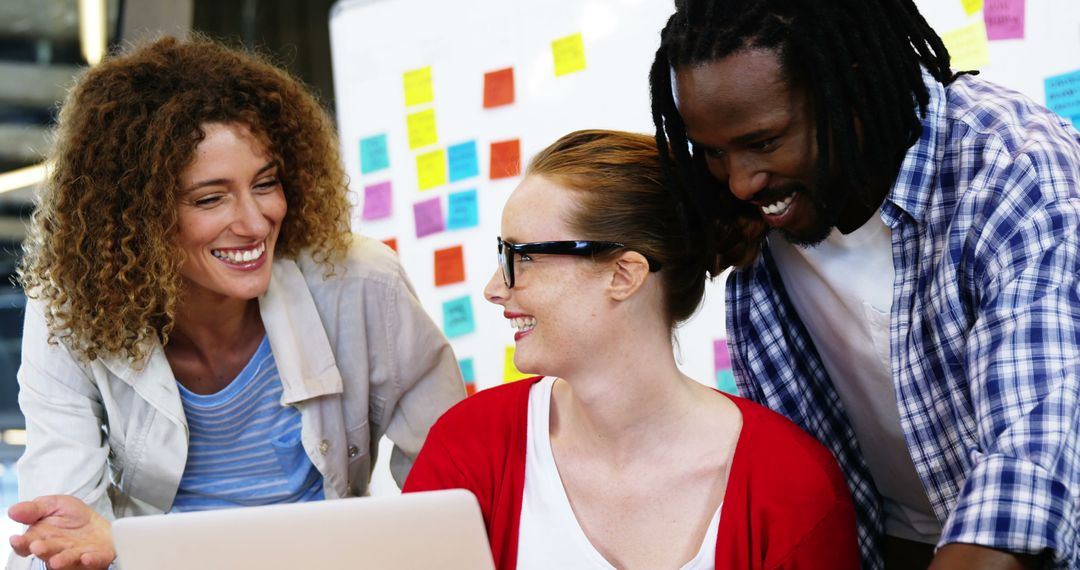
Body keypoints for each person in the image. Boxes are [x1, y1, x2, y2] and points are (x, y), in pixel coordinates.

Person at [649, 0, 1080, 568]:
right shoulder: (755, 213)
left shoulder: (1014, 170)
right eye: (712, 153)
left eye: (763, 143)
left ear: (846, 90)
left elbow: (1032, 460)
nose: (739, 181)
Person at [7, 36, 465, 570]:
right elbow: (62, 540)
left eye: (266, 183)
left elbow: (456, 499)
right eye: (210, 198)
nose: (254, 222)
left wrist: (128, 546)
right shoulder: (71, 308)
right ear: (136, 216)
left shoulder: (362, 283)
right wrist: (92, 547)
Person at [403, 129, 860, 569]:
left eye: (522, 256)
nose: (494, 288)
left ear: (624, 274)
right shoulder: (467, 447)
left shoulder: (795, 487)